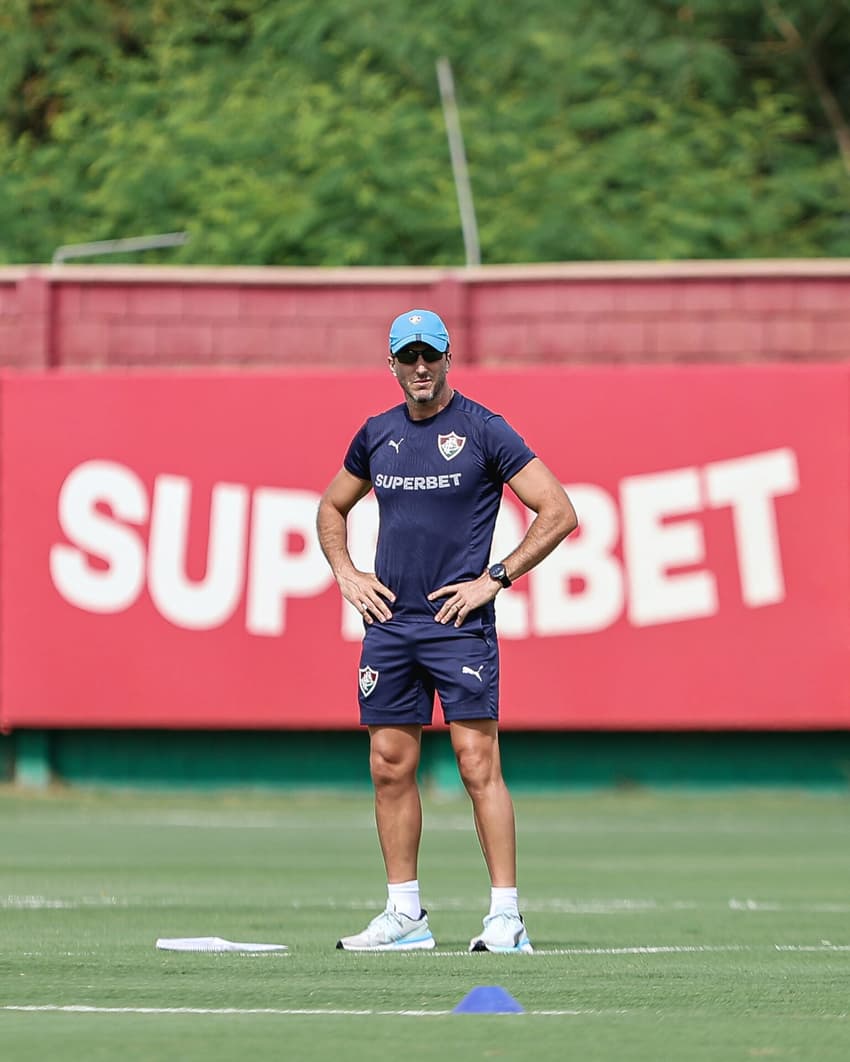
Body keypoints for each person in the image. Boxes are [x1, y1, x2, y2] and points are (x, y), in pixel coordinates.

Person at [316, 308, 578, 953]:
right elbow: (331, 506)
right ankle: (405, 916)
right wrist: (347, 573)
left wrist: (495, 578)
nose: (420, 368)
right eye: (407, 358)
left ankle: (506, 917)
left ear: (447, 357)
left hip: (457, 626)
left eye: (429, 355)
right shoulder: (376, 434)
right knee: (388, 765)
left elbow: (558, 510)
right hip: (390, 624)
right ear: (392, 365)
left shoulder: (485, 429)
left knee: (476, 763)